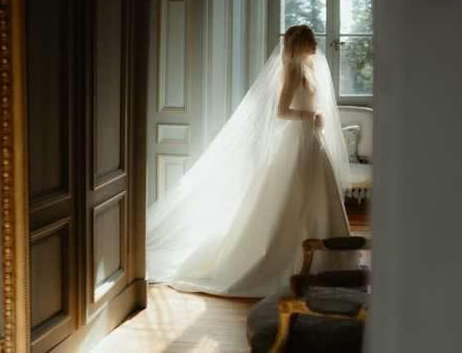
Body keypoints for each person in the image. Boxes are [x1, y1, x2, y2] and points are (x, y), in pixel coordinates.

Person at [146, 25, 355, 297]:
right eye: (310, 39)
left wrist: (316, 119)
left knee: (318, 196)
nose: (316, 43)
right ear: (299, 44)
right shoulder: (292, 71)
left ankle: (328, 259)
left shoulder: (310, 69)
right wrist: (309, 116)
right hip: (298, 141)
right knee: (291, 198)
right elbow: (281, 111)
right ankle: (285, 258)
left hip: (312, 141)